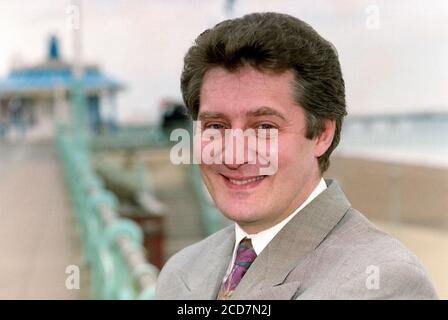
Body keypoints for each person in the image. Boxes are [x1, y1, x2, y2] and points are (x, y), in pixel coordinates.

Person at [155, 12, 437, 300]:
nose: (234, 155)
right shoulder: (181, 271)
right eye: (216, 126)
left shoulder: (385, 282)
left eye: (264, 127)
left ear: (322, 134)